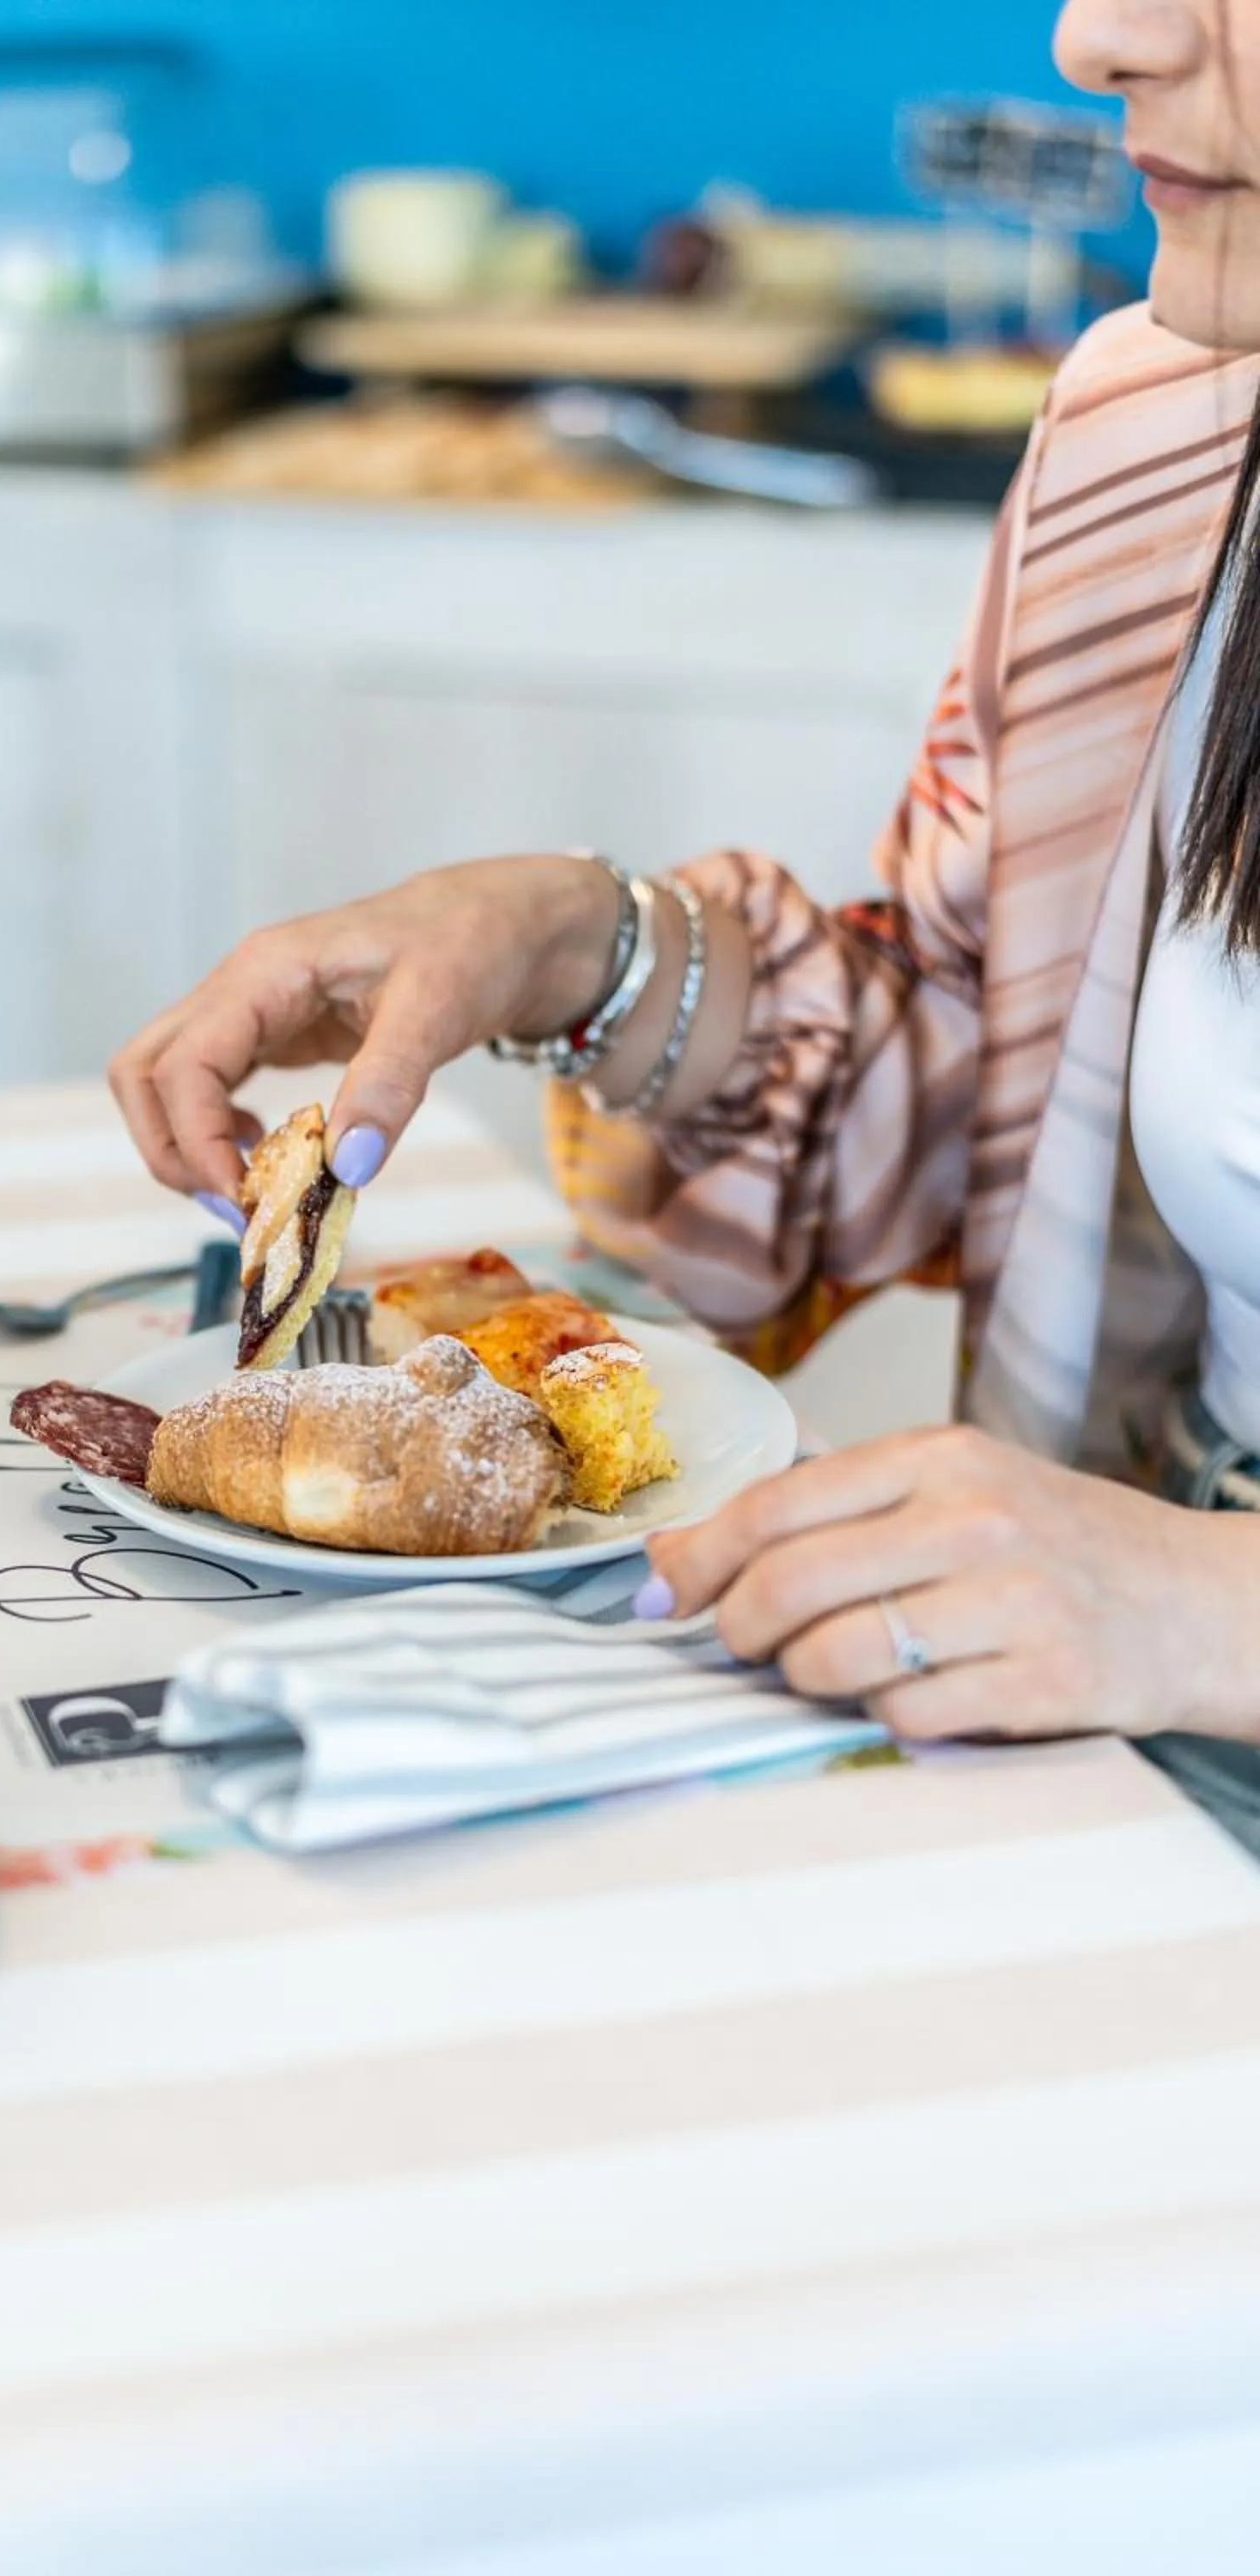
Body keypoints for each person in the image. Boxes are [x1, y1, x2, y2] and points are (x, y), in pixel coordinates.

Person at [112, 0, 1260, 1849]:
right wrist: (575, 946)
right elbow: (1006, 1098)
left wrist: (1209, 1608)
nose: (1094, 37)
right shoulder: (1164, 440)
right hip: (1128, 1718)